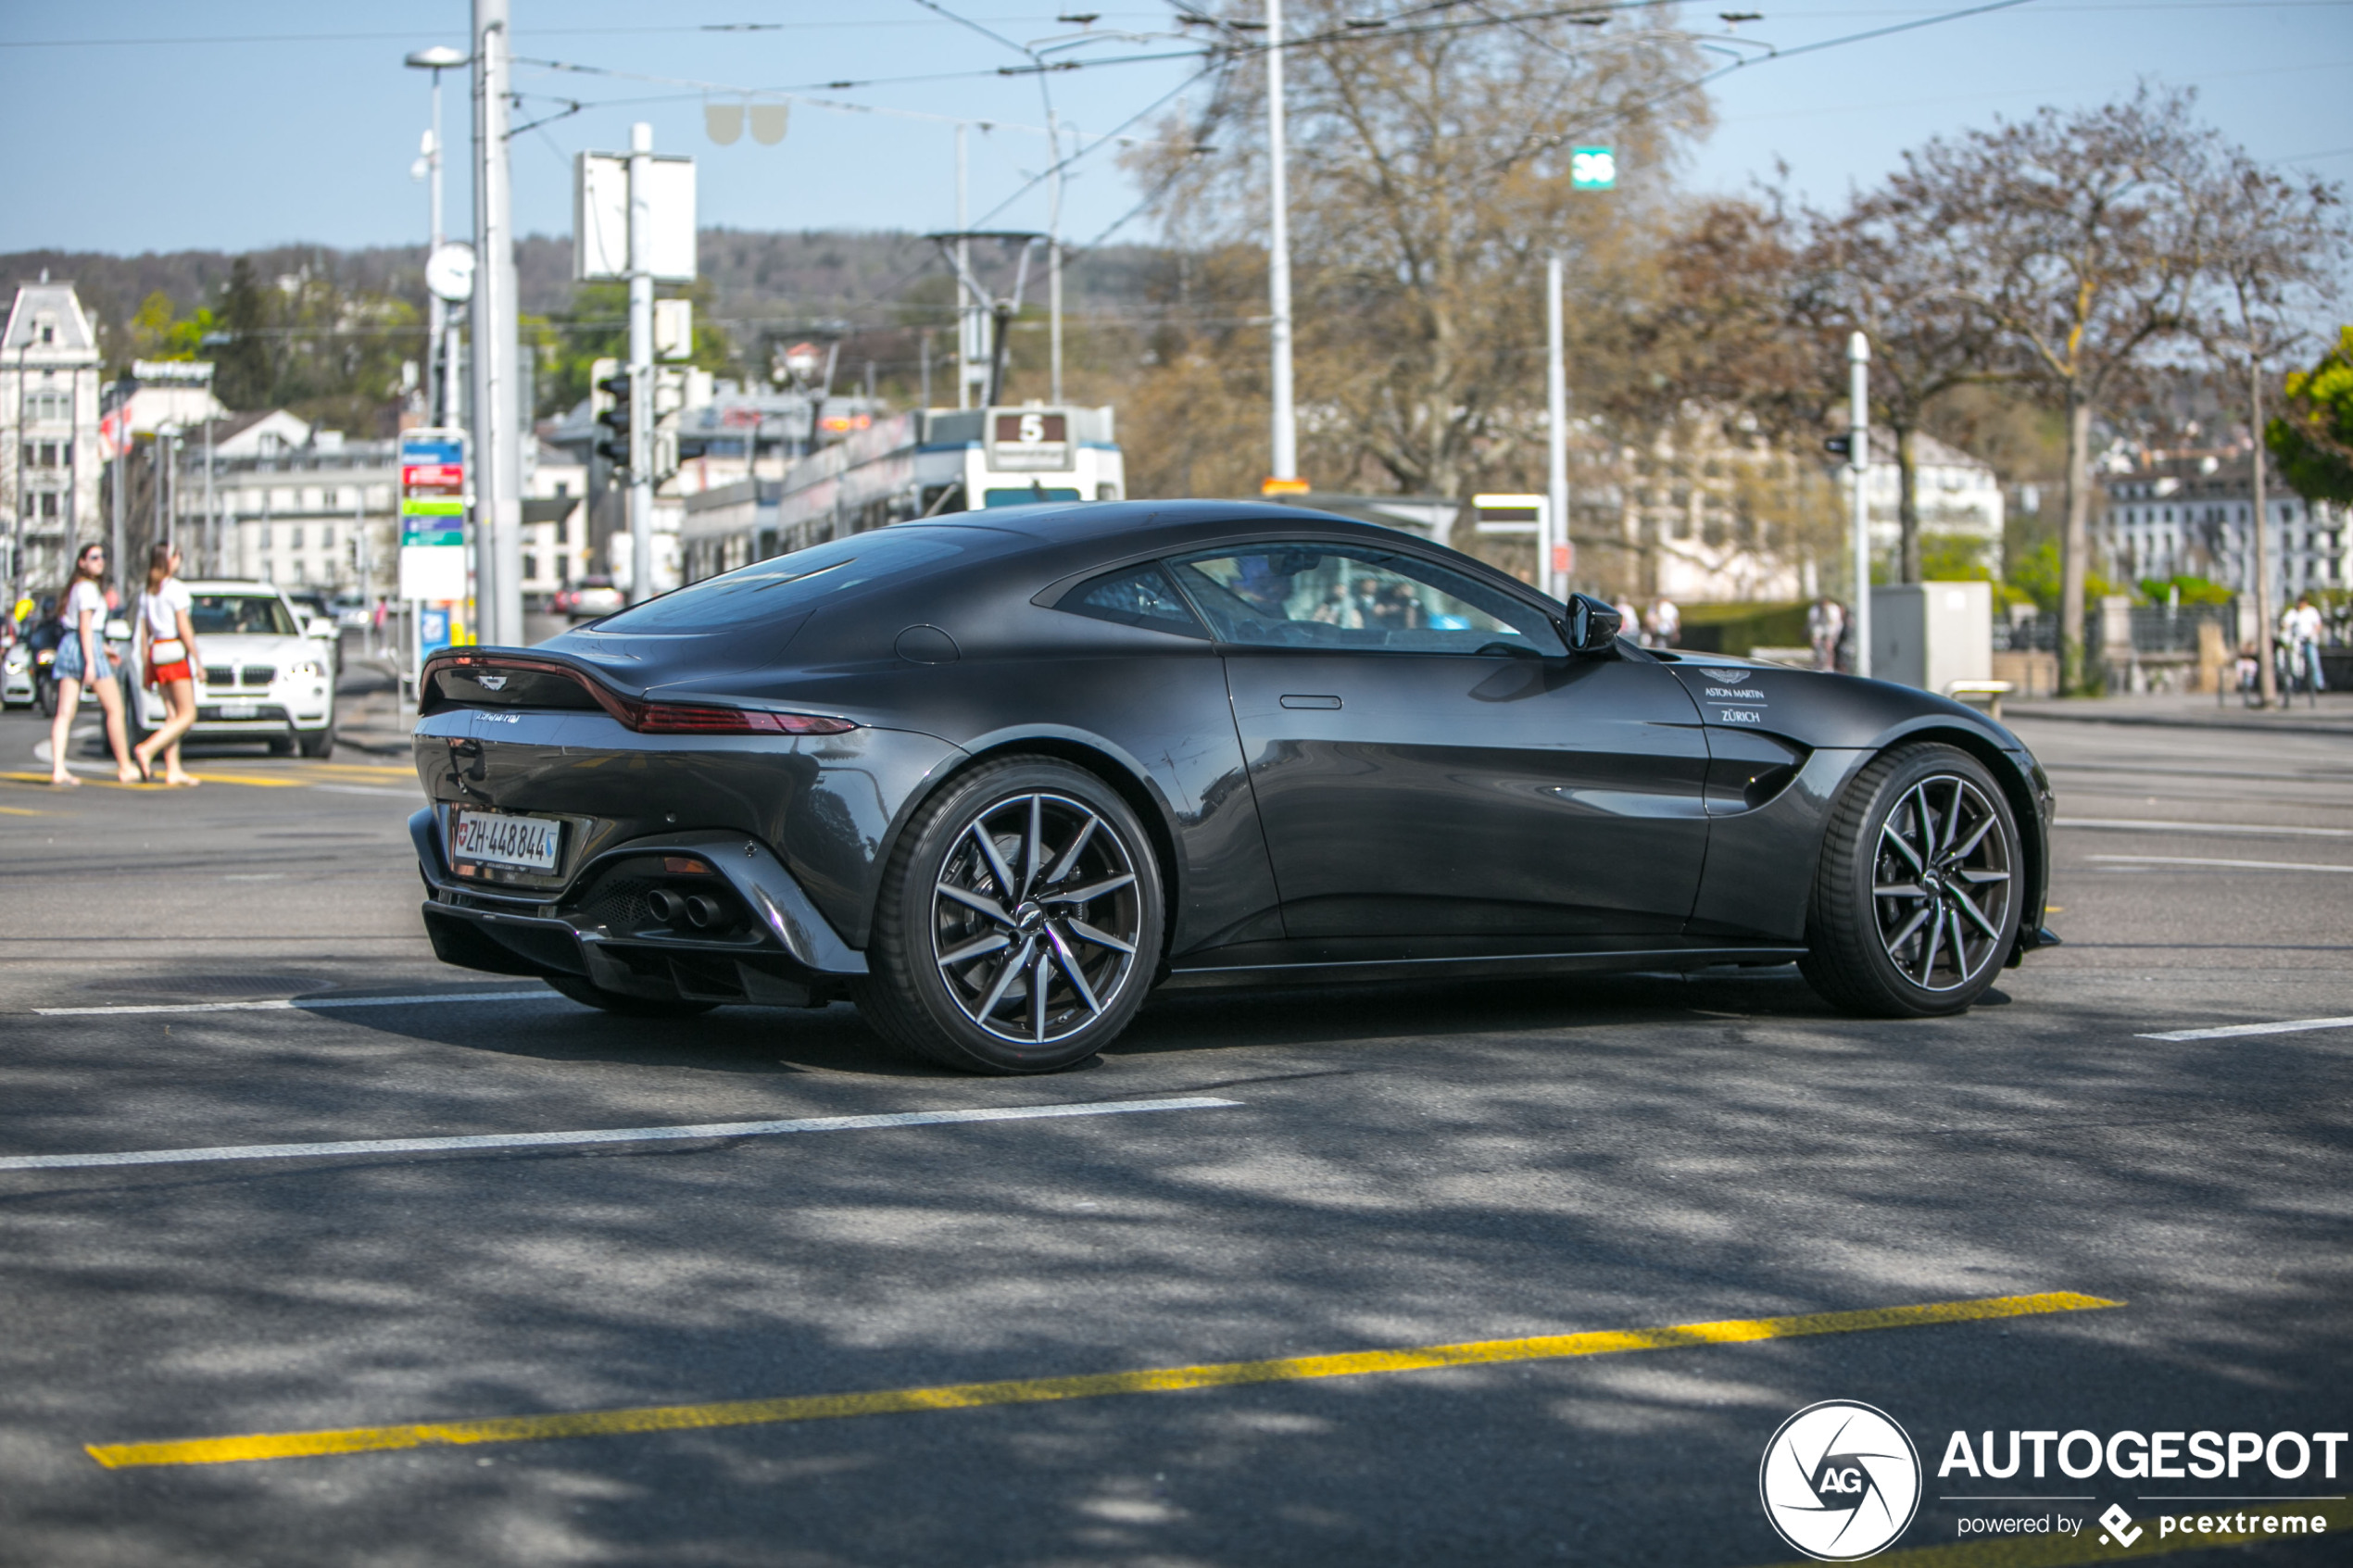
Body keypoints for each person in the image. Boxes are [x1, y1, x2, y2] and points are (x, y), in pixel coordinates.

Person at [45, 543, 140, 786]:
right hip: (85, 647)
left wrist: (105, 649)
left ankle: (58, 768)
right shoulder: (87, 589)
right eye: (94, 557)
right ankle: (125, 765)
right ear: (82, 562)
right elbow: (86, 627)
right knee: (115, 708)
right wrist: (91, 662)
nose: (100, 561)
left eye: (102, 557)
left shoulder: (76, 588)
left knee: (65, 712)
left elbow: (83, 628)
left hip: (72, 644)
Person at [132, 542, 203, 787]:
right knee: (188, 713)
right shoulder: (176, 589)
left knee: (171, 715)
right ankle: (147, 749)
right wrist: (197, 659)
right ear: (167, 561)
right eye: (176, 555)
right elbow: (184, 627)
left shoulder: (148, 592)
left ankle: (173, 768)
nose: (179, 558)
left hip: (156, 651)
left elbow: (143, 633)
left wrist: (144, 665)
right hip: (174, 651)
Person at [2284, 594, 2325, 694]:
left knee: (2313, 662)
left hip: (2309, 641)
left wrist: (2312, 633)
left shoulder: (2311, 611)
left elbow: (2318, 625)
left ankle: (2318, 684)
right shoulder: (2294, 612)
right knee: (2296, 665)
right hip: (2297, 641)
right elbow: (2286, 623)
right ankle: (2297, 685)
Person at [1807, 596, 1847, 672]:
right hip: (1819, 629)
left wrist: (1832, 635)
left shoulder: (1833, 609)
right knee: (1816, 646)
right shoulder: (1815, 610)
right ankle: (1818, 664)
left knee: (1829, 647)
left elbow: (1833, 622)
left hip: (1830, 629)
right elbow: (1812, 622)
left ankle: (1829, 665)